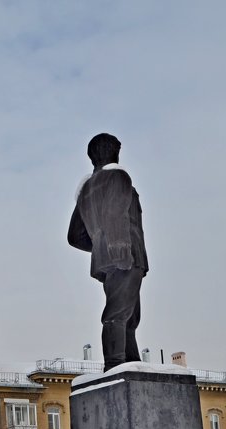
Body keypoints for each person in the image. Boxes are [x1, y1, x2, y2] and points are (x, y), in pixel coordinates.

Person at [67, 132, 149, 371]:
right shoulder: (118, 176)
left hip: (110, 260)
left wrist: (101, 248)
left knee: (128, 316)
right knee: (119, 313)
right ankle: (115, 365)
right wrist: (118, 249)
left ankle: (131, 363)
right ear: (111, 151)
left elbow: (75, 237)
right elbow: (116, 213)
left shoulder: (86, 190)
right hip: (126, 256)